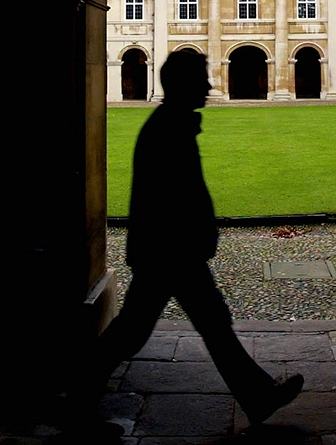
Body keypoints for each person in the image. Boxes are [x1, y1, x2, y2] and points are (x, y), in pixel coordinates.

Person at [75, 51, 302, 431]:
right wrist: (197, 235)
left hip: (169, 250)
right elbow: (173, 197)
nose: (210, 86)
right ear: (183, 85)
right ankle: (76, 397)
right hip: (169, 252)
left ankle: (258, 395)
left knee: (201, 324)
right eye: (201, 79)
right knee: (140, 331)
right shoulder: (169, 128)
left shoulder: (172, 123)